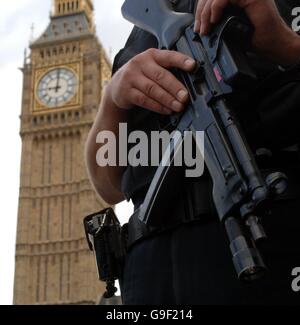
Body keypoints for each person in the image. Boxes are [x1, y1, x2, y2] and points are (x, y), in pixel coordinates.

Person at [85, 0, 300, 305]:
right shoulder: (140, 33)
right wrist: (113, 99)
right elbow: (108, 187)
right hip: (149, 278)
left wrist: (286, 45)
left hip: (268, 248)